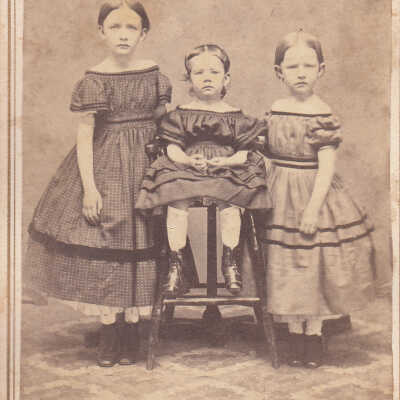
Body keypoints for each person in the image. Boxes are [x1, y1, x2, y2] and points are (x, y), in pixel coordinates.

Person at [24, 0, 172, 367]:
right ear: (101, 32)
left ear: (144, 33)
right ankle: (111, 331)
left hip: (146, 168)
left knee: (144, 238)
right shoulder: (94, 79)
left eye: (131, 27)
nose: (123, 35)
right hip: (107, 168)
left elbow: (165, 125)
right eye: (115, 27)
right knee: (109, 237)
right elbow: (86, 134)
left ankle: (133, 330)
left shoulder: (154, 76)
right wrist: (90, 188)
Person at [257, 30, 376, 368]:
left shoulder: (321, 113)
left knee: (313, 264)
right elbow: (266, 154)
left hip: (313, 194)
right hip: (279, 193)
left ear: (321, 70)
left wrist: (312, 210)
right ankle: (294, 334)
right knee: (287, 266)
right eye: (292, 66)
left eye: (308, 66)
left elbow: (326, 168)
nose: (301, 73)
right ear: (279, 72)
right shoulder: (275, 110)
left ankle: (314, 334)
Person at [136, 44, 271, 298]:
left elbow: (243, 154)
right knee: (176, 198)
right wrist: (187, 160)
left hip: (225, 171)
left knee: (231, 201)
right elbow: (172, 149)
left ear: (226, 79)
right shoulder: (181, 115)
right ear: (189, 79)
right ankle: (176, 263)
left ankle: (229, 260)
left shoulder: (236, 117)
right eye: (199, 73)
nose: (207, 78)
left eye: (214, 72)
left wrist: (225, 163)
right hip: (189, 168)